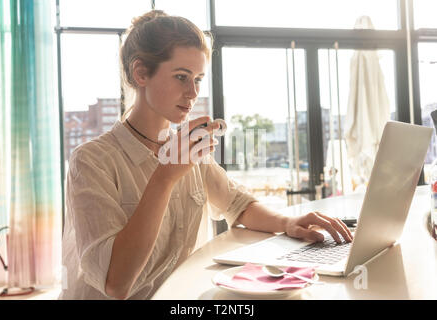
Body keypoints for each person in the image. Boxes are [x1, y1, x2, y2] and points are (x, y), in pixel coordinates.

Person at [59, 10, 353, 300]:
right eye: (181, 77)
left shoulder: (188, 149)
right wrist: (165, 176)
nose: (192, 92)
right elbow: (116, 283)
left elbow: (238, 205)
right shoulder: (92, 161)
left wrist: (287, 223)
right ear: (140, 73)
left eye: (198, 79)